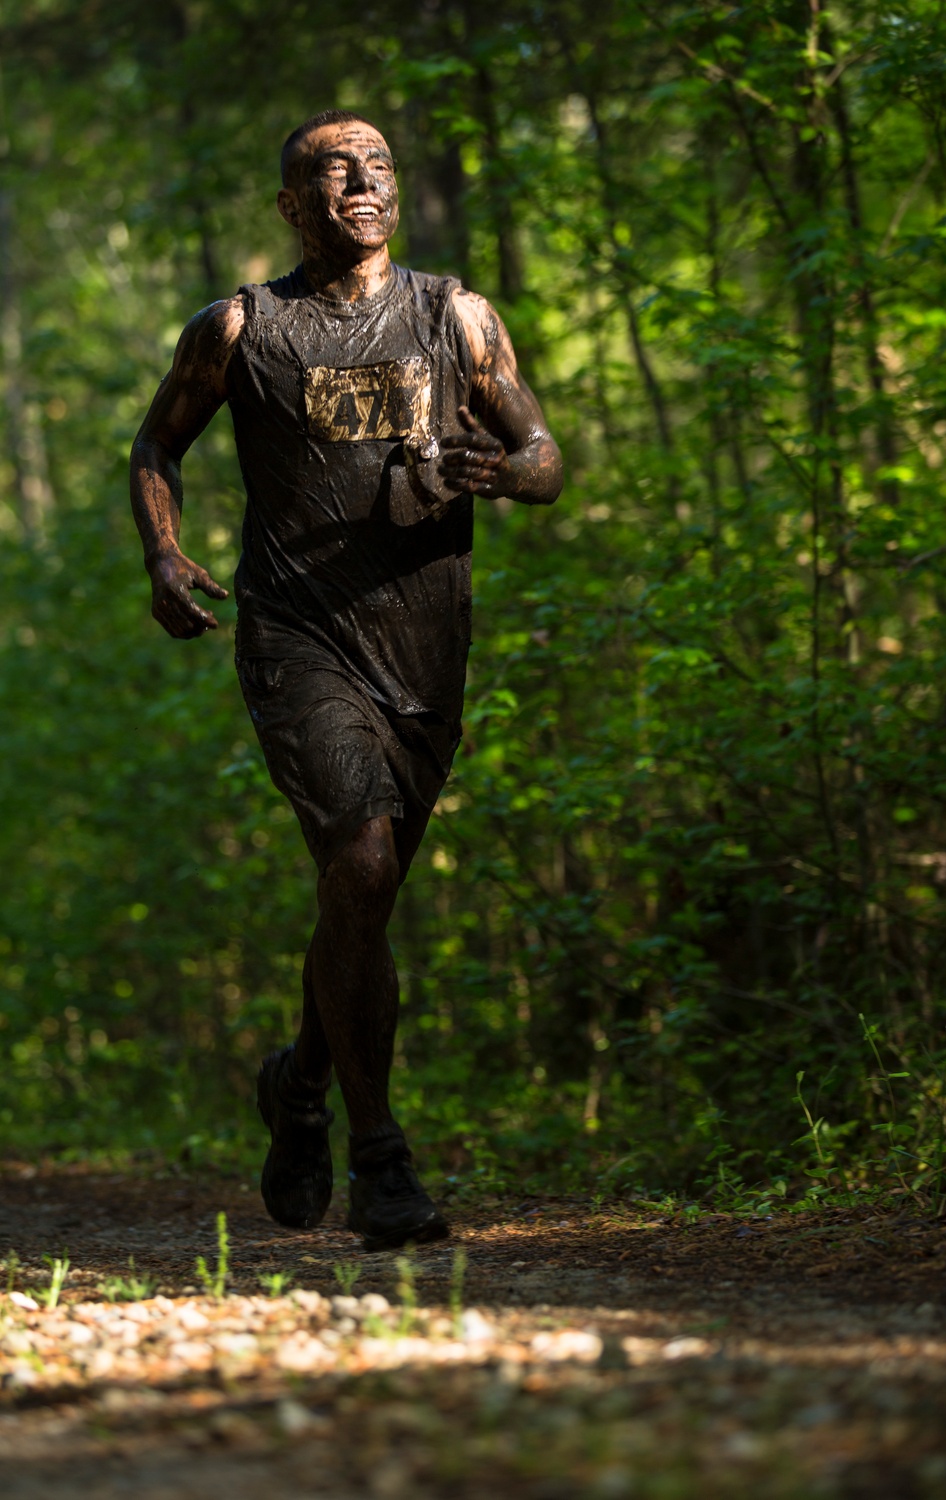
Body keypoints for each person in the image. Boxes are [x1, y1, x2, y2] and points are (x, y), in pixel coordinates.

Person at [129, 110, 563, 1251]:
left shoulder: (456, 315)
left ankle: (302, 1083)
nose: (359, 182)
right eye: (332, 170)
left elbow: (545, 454)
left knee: (362, 898)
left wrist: (510, 473)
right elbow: (156, 444)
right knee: (360, 860)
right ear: (292, 205)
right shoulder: (238, 327)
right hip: (295, 635)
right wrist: (164, 555)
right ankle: (382, 1162)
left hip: (424, 645)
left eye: (374, 166)